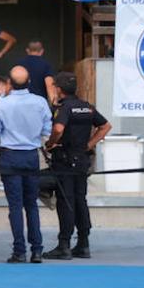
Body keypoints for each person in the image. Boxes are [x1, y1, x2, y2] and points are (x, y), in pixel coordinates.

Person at [0, 65, 52, 263]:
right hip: (31, 155)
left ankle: (19, 250)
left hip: (9, 155)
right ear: (30, 82)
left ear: (9, 83)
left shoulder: (3, 104)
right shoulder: (40, 102)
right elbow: (46, 129)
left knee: (15, 206)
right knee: (31, 204)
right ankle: (37, 249)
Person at [45, 71, 110, 260]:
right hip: (81, 159)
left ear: (59, 89)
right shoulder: (87, 107)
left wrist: (50, 143)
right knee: (80, 200)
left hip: (64, 159)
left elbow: (58, 129)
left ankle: (64, 245)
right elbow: (105, 126)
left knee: (66, 201)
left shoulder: (64, 108)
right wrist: (89, 145)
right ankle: (83, 243)